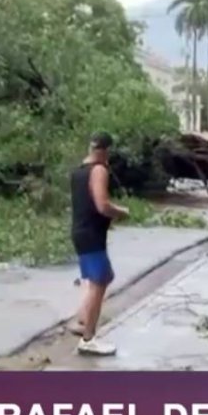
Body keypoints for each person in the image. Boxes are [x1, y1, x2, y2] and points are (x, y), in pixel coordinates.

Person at [67, 131, 127, 356]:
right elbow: (102, 205)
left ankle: (82, 319)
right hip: (91, 235)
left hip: (81, 232)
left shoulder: (78, 171)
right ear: (106, 151)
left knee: (103, 276)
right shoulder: (99, 170)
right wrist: (121, 212)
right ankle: (88, 339)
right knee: (99, 281)